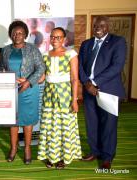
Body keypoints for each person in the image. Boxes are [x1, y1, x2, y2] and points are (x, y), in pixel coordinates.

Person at [78, 16, 126, 169]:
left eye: (102, 25)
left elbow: (116, 66)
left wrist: (94, 82)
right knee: (92, 123)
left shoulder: (118, 42)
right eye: (96, 25)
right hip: (88, 90)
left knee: (108, 124)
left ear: (108, 27)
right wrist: (86, 83)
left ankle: (107, 157)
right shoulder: (86, 44)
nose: (98, 27)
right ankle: (94, 151)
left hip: (108, 90)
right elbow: (80, 66)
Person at [0, 20, 45, 165]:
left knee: (28, 120)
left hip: (29, 90)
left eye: (20, 33)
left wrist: (28, 81)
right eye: (14, 33)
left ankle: (27, 149)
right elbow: (1, 68)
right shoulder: (5, 50)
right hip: (11, 90)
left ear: (25, 34)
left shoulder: (33, 49)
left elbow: (41, 68)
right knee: (13, 121)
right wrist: (8, 78)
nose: (17, 35)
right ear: (11, 35)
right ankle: (13, 149)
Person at [37, 27, 82, 169]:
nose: (55, 40)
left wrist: (74, 100)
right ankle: (51, 156)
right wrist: (27, 78)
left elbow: (75, 79)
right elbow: (42, 77)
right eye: (52, 37)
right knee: (50, 126)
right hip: (49, 95)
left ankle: (64, 157)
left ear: (64, 39)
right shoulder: (44, 55)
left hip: (65, 96)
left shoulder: (71, 53)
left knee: (64, 126)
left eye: (58, 37)